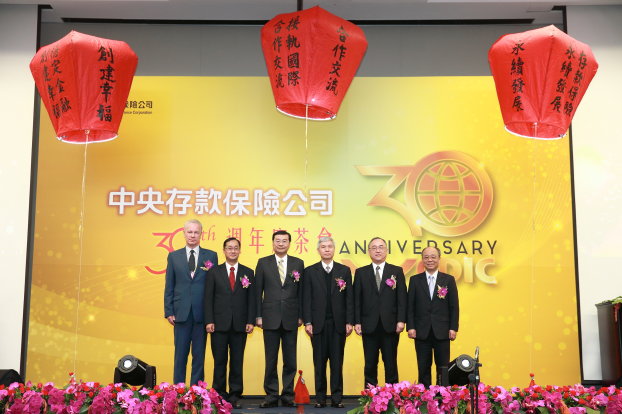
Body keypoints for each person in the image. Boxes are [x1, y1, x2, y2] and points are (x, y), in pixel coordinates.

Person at [164, 219, 218, 385]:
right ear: (184, 233)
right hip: (180, 313)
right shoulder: (174, 256)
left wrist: (212, 315)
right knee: (180, 355)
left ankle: (196, 392)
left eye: (196, 232)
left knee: (199, 356)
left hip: (202, 314)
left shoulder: (211, 255)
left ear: (201, 234)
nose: (193, 235)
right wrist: (169, 311)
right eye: (190, 232)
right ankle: (178, 390)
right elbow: (169, 285)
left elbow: (214, 288)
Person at [255, 230, 305, 408]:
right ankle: (271, 395)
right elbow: (257, 292)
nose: (281, 243)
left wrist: (301, 316)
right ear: (273, 243)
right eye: (278, 241)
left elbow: (302, 293)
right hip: (269, 317)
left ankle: (287, 395)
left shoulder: (298, 263)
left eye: (284, 241)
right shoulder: (263, 263)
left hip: (291, 317)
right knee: (271, 359)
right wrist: (258, 316)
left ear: (290, 243)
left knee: (290, 359)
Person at [303, 237, 353, 408]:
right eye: (323, 247)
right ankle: (320, 398)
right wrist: (308, 321)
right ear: (318, 250)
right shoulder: (310, 271)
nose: (326, 249)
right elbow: (306, 299)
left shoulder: (344, 270)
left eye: (330, 246)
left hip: (338, 324)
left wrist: (349, 321)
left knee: (337, 363)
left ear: (334, 249)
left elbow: (349, 299)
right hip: (317, 325)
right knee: (319, 362)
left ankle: (337, 399)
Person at [205, 237, 255, 408]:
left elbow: (252, 300)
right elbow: (208, 298)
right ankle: (218, 395)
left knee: (236, 361)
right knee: (219, 361)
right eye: (229, 248)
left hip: (240, 325)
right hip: (218, 324)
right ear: (224, 250)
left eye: (236, 248)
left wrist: (250, 321)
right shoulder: (214, 272)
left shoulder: (248, 272)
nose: (233, 251)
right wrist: (209, 320)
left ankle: (235, 395)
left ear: (240, 250)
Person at [353, 237, 407, 387]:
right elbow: (356, 300)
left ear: (386, 250)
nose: (377, 250)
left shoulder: (396, 271)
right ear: (369, 251)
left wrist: (401, 320)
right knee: (370, 364)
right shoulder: (360, 272)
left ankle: (393, 397)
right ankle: (370, 397)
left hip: (390, 325)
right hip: (368, 324)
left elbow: (402, 297)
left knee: (390, 364)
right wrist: (357, 321)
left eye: (381, 247)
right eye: (374, 248)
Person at [407, 246, 459, 387]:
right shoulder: (414, 280)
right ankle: (425, 397)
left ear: (439, 259)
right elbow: (410, 306)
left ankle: (442, 397)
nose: (430, 260)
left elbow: (454, 306)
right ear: (422, 260)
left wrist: (453, 328)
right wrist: (410, 327)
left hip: (442, 330)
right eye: (426, 257)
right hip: (421, 331)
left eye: (433, 257)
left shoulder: (448, 280)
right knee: (423, 366)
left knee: (443, 367)